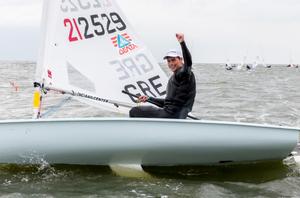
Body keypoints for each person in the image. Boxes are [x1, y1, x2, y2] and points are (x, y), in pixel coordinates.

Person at [129, 33, 196, 119]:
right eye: (168, 61)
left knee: (134, 111)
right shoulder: (176, 76)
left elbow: (188, 63)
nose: (171, 63)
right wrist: (149, 98)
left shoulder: (184, 73)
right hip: (174, 114)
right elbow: (168, 103)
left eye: (173, 60)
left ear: (181, 59)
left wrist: (182, 43)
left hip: (171, 115)